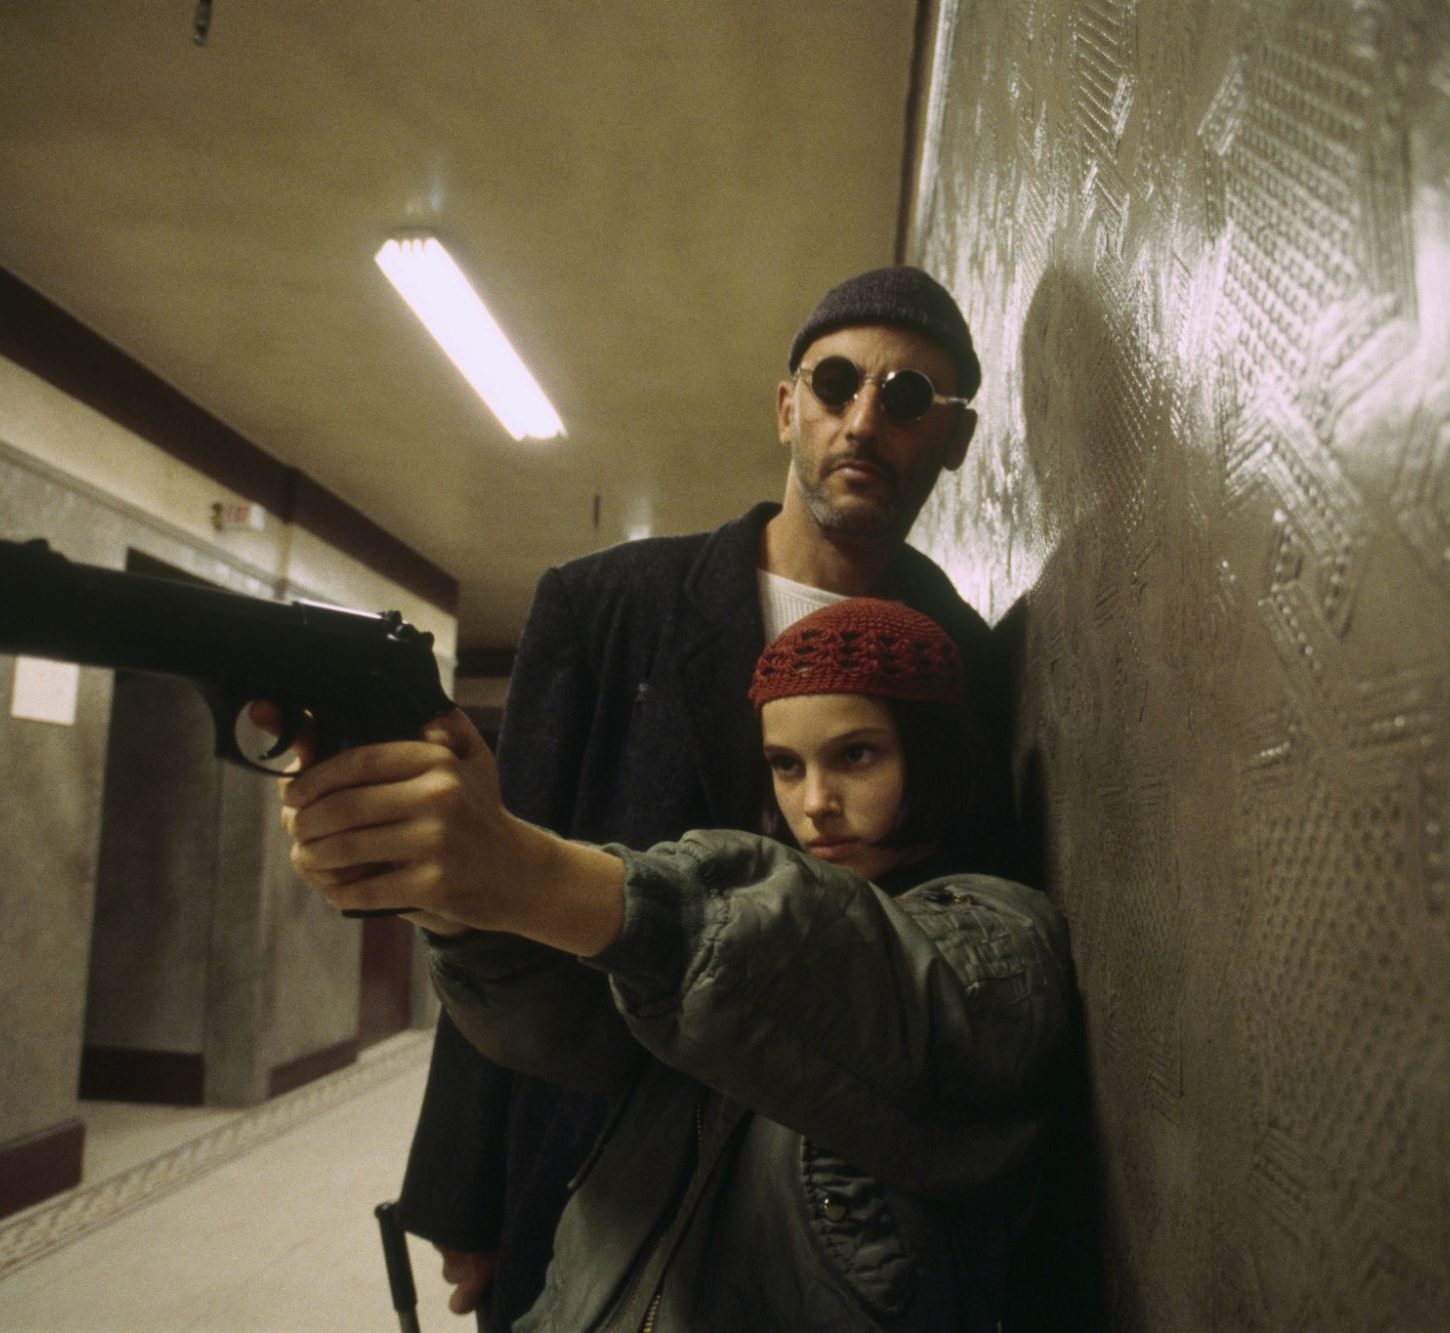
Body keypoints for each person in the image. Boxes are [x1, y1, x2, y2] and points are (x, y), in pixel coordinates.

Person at [396, 265, 1031, 1327]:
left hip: (820, 1199)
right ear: (788, 407)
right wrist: (463, 1187)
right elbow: (498, 877)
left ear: (955, 439)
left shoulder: (965, 658)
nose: (863, 422)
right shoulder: (606, 607)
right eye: (836, 384)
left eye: (909, 397)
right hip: (594, 1139)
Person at [282, 598, 1072, 1330]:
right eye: (786, 764)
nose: (815, 802)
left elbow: (828, 965)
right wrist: (455, 909)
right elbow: (576, 1018)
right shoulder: (728, 949)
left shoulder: (1000, 942)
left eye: (856, 754)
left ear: (933, 752)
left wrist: (522, 869)